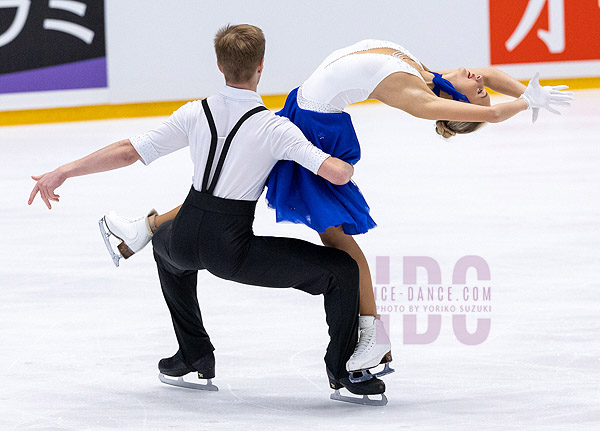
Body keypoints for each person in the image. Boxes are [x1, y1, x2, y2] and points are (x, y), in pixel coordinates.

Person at [99, 39, 572, 380]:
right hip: (301, 110)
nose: (480, 82)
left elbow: (487, 111)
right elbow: (486, 79)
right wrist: (525, 88)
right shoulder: (439, 78)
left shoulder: (421, 98)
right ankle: (146, 227)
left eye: (478, 91)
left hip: (319, 130)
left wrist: (518, 103)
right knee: (229, 186)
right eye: (481, 86)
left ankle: (374, 332)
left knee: (339, 241)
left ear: (454, 106)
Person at [28, 25, 389, 403]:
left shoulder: (194, 113)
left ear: (219, 65)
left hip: (183, 235)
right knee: (342, 270)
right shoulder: (274, 127)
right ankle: (344, 369)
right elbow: (334, 172)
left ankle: (194, 354)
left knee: (163, 248)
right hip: (231, 249)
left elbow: (128, 150)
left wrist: (63, 171)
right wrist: (345, 162)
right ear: (261, 66)